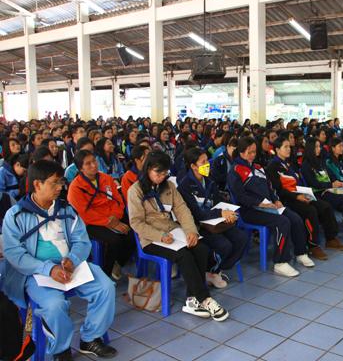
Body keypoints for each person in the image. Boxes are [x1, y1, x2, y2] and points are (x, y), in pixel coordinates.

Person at [2, 160, 117, 361]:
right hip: (37, 273)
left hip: (70, 265)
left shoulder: (66, 210)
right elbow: (15, 254)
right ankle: (60, 348)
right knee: (54, 305)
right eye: (54, 183)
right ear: (37, 185)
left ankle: (89, 337)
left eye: (61, 182)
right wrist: (48, 268)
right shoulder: (16, 215)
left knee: (106, 287)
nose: (60, 188)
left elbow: (81, 240)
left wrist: (72, 259)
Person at [128, 151, 229, 321]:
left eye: (164, 173)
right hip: (152, 238)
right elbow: (137, 223)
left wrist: (191, 231)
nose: (161, 177)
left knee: (201, 248)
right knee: (184, 256)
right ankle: (204, 299)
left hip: (173, 232)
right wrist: (160, 236)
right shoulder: (135, 191)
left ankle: (191, 300)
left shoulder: (169, 187)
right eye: (157, 173)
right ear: (147, 170)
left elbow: (182, 210)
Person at [227, 137, 310, 277]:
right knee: (282, 222)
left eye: (254, 152)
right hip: (250, 210)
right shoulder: (235, 170)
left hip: (269, 206)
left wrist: (276, 200)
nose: (253, 155)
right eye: (250, 152)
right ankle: (280, 262)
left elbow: (270, 188)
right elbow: (240, 196)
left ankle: (300, 252)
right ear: (241, 152)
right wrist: (259, 204)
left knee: (294, 218)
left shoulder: (258, 167)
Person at [178, 148, 248, 288]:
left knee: (241, 238)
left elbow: (218, 202)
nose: (207, 165)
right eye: (203, 162)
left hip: (215, 222)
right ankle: (212, 271)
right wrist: (220, 213)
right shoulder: (185, 186)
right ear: (193, 166)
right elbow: (197, 214)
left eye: (207, 161)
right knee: (224, 245)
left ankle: (217, 270)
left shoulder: (209, 181)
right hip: (200, 226)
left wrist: (228, 212)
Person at [266, 137, 343, 259]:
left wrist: (304, 193)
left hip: (298, 194)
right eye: (285, 147)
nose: (289, 149)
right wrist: (297, 196)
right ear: (277, 149)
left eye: (289, 147)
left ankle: (331, 239)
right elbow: (279, 190)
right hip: (287, 199)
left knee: (324, 206)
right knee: (310, 211)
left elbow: (296, 183)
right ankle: (313, 246)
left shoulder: (288, 164)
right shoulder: (273, 166)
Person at [67, 150, 134, 280]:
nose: (93, 165)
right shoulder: (75, 187)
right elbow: (84, 214)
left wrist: (116, 216)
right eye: (88, 164)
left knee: (134, 232)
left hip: (113, 215)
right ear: (81, 168)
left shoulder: (106, 178)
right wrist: (108, 222)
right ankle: (105, 274)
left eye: (94, 161)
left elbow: (118, 201)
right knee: (114, 240)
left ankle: (118, 263)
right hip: (92, 222)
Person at [302, 138, 343, 243]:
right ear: (310, 148)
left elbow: (330, 176)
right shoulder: (306, 165)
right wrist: (331, 184)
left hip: (330, 189)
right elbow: (313, 183)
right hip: (320, 193)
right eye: (316, 147)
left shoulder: (320, 161)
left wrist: (336, 182)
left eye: (319, 146)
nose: (319, 149)